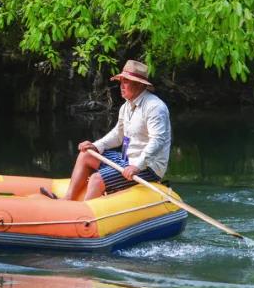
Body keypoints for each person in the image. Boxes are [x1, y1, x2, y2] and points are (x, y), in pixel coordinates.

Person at [54, 59, 170, 201]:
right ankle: (68, 199)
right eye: (121, 81)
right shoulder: (126, 106)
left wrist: (137, 166)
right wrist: (96, 146)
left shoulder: (155, 107)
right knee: (86, 154)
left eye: (126, 82)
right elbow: (118, 135)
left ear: (139, 84)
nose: (121, 86)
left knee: (96, 179)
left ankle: (83, 212)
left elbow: (158, 140)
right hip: (127, 159)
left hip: (149, 167)